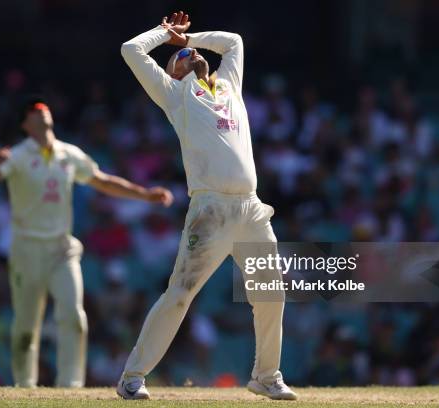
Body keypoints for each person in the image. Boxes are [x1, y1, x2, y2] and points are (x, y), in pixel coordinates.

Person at [117, 11, 296, 400]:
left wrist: (189, 38)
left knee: (271, 292)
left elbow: (233, 41)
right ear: (174, 73)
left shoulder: (230, 85)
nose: (195, 57)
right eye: (183, 59)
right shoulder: (174, 96)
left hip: (251, 208)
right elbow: (131, 49)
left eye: (197, 54)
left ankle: (266, 376)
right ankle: (132, 376)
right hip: (210, 211)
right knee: (180, 293)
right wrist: (164, 34)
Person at [0, 96, 173, 388]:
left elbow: (102, 181)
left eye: (43, 107)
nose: (40, 110)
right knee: (27, 326)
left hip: (61, 248)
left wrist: (144, 195)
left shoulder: (69, 154)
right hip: (27, 250)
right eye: (32, 110)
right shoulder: (16, 155)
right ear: (25, 124)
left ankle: (71, 386)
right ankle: (24, 386)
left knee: (73, 317)